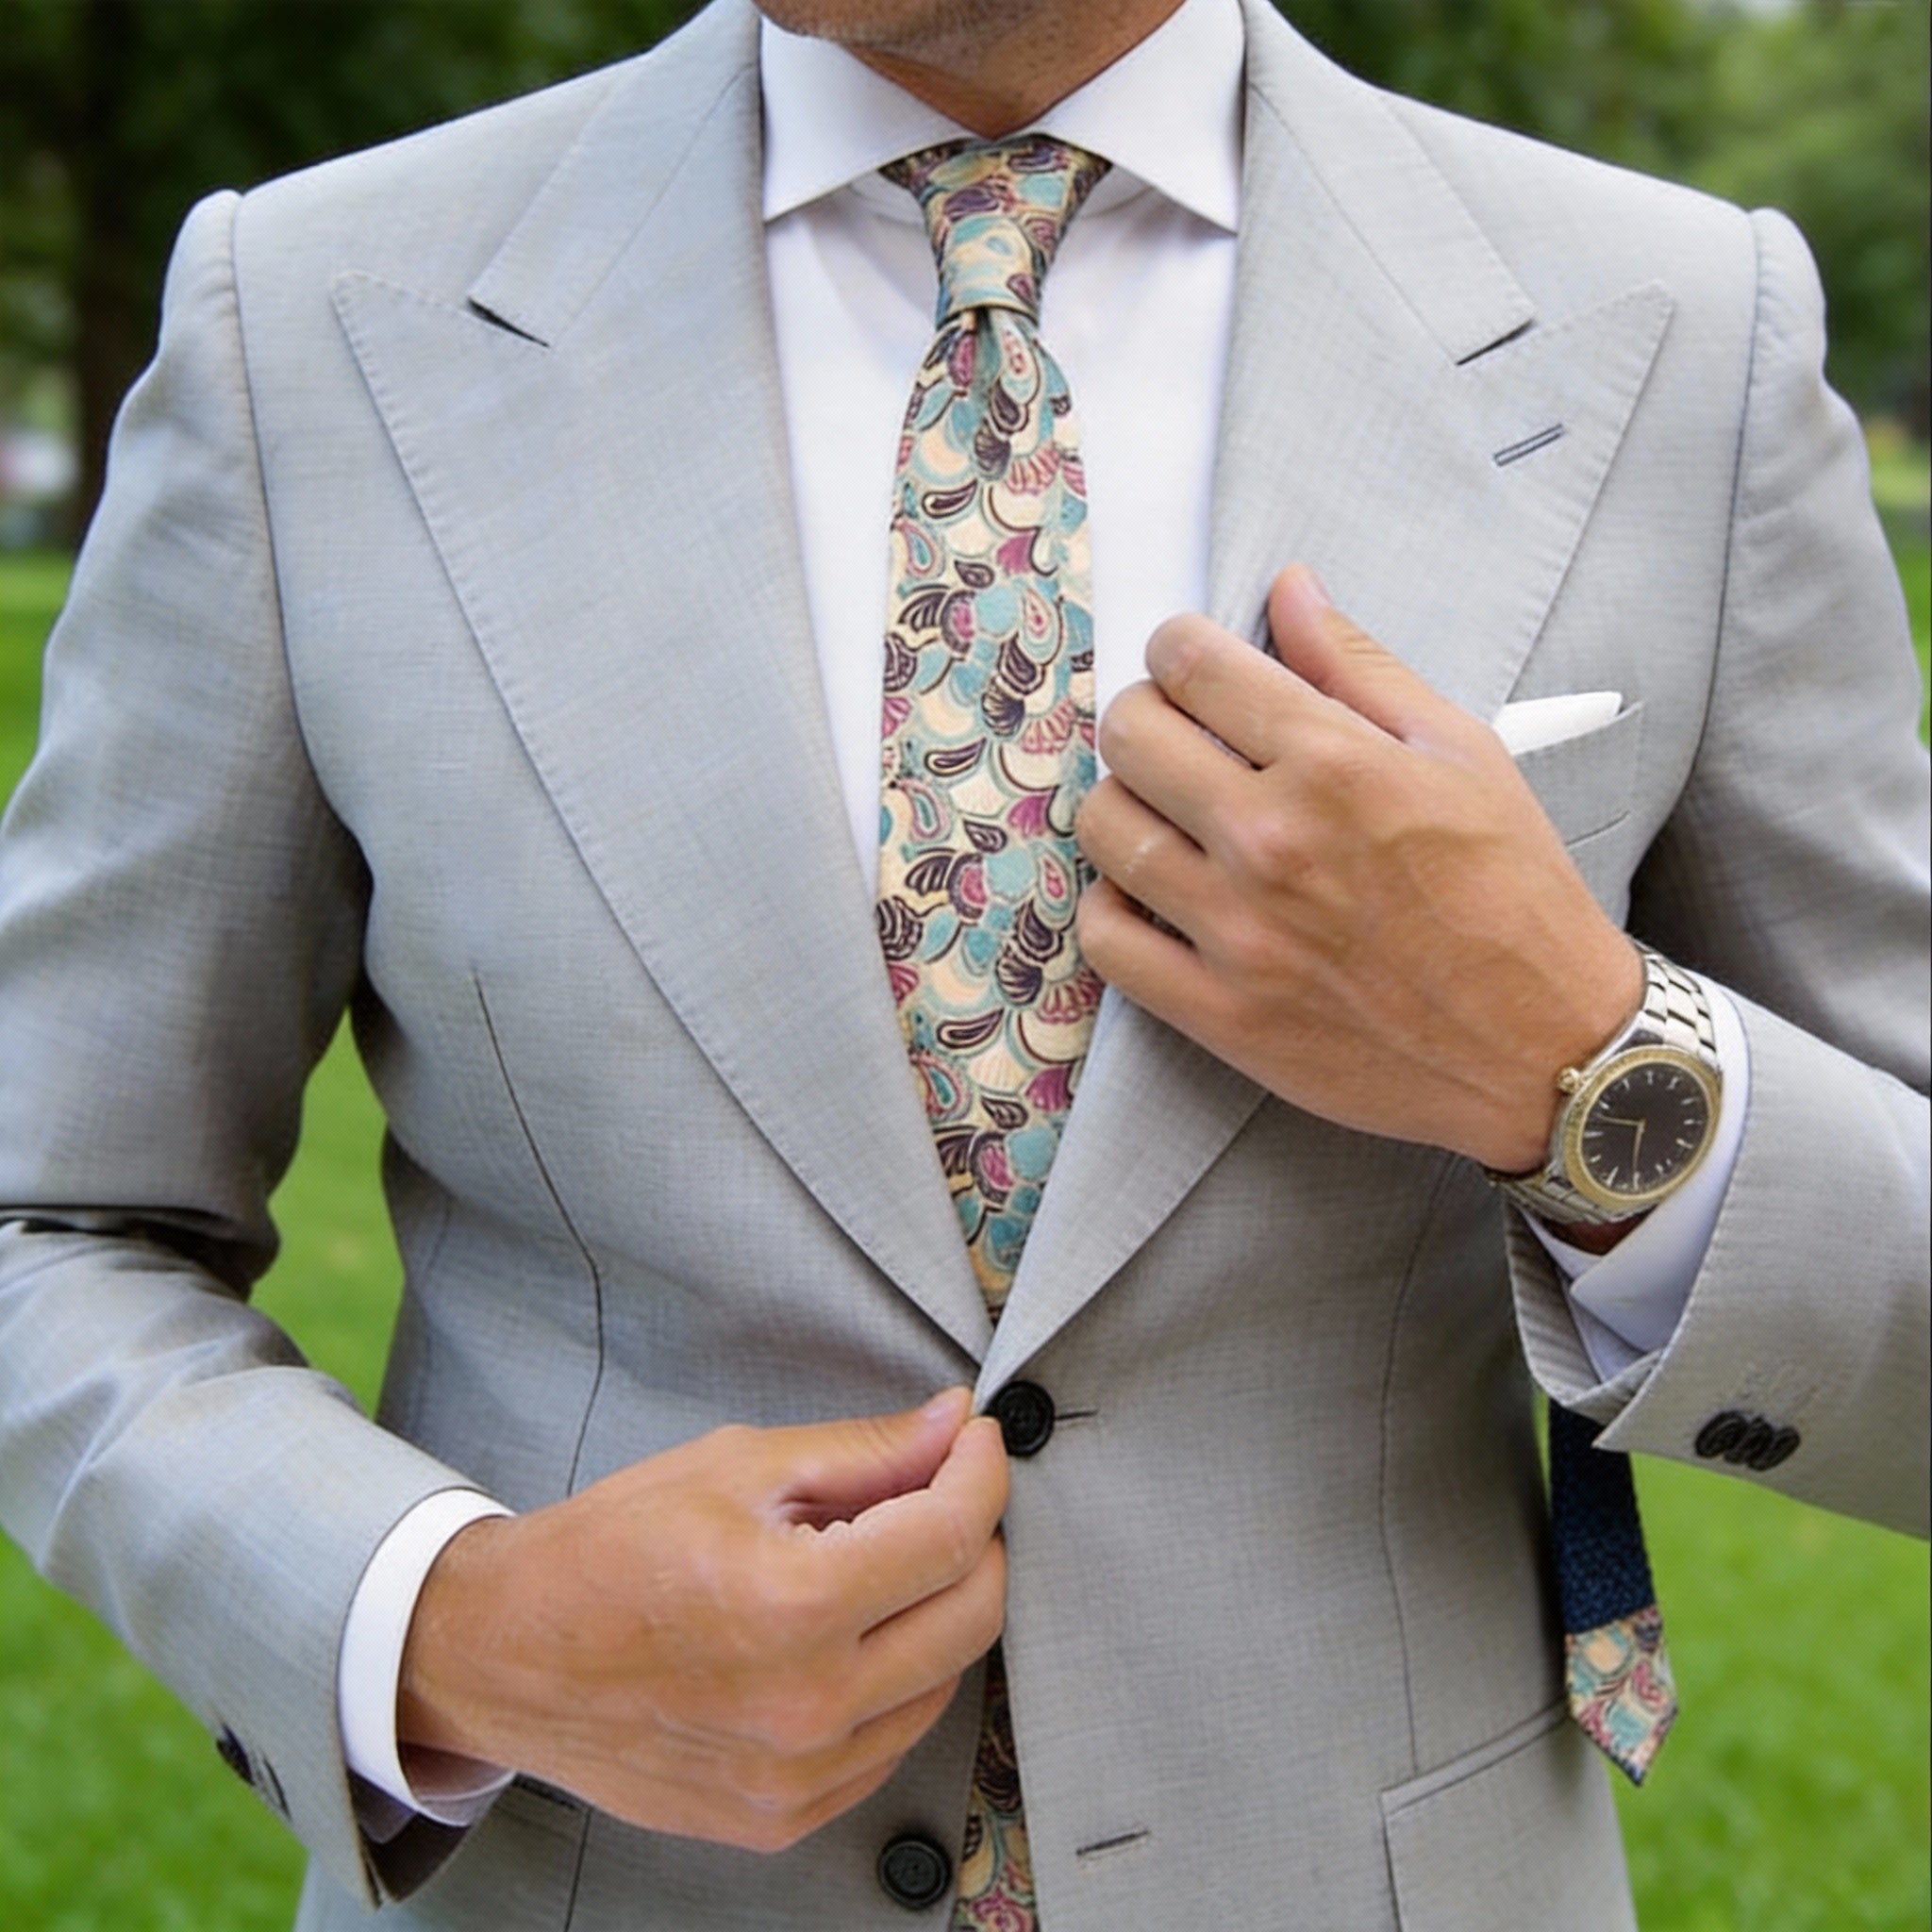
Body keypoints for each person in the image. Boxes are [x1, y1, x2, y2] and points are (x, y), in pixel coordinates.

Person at [0, 0, 1924, 1926]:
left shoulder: (1677, 329)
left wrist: (1582, 1070)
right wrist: (447, 1622)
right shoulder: (313, 315)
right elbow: (50, 1215)